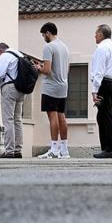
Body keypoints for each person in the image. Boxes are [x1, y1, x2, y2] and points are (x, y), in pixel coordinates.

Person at [37, 22, 70, 159]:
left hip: (51, 87)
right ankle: (64, 150)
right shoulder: (64, 47)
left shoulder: (48, 47)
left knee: (52, 116)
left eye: (44, 35)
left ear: (48, 33)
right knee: (61, 115)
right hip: (63, 85)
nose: (44, 37)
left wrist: (39, 67)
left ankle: (54, 149)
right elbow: (67, 68)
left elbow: (47, 69)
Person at [90, 24, 112, 159]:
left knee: (104, 115)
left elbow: (98, 71)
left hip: (105, 83)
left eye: (96, 33)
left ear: (101, 35)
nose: (95, 36)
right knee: (104, 114)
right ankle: (108, 147)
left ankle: (109, 148)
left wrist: (94, 90)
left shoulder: (101, 49)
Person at [0, 42, 26, 159]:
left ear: (0, 51)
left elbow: (0, 73)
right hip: (21, 89)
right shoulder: (19, 54)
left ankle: (9, 151)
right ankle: (17, 150)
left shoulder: (5, 56)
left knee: (8, 119)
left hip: (10, 88)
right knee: (17, 120)